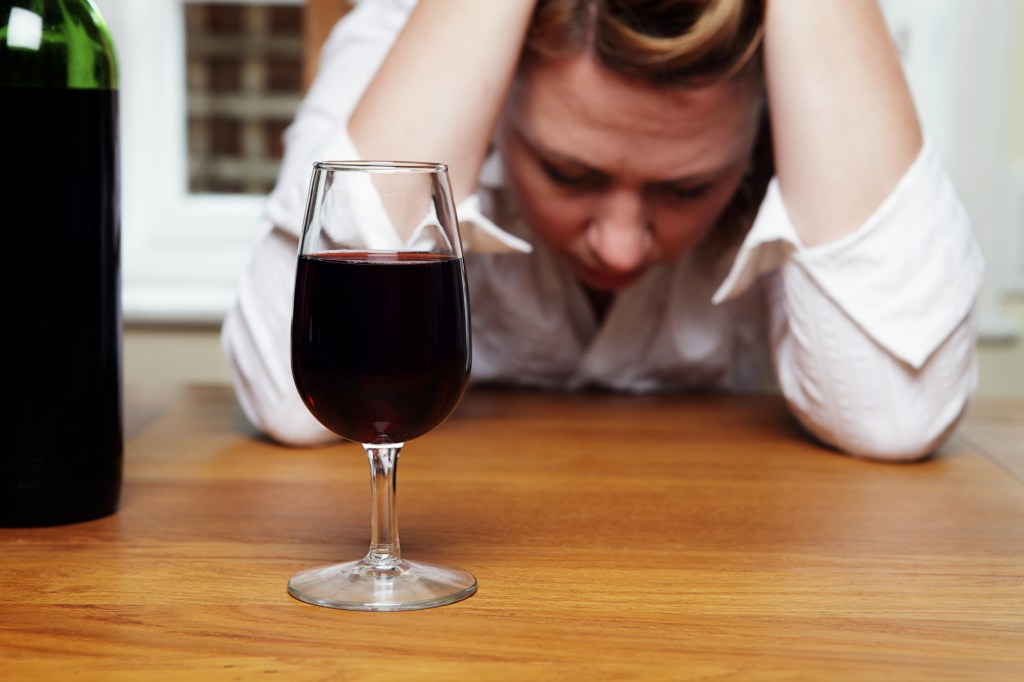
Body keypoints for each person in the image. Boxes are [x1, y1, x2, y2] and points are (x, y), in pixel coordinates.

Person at [221, 0, 984, 460]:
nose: (620, 244)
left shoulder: (807, 63)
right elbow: (295, 402)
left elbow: (893, 414)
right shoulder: (416, 31)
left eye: (688, 187)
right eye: (569, 173)